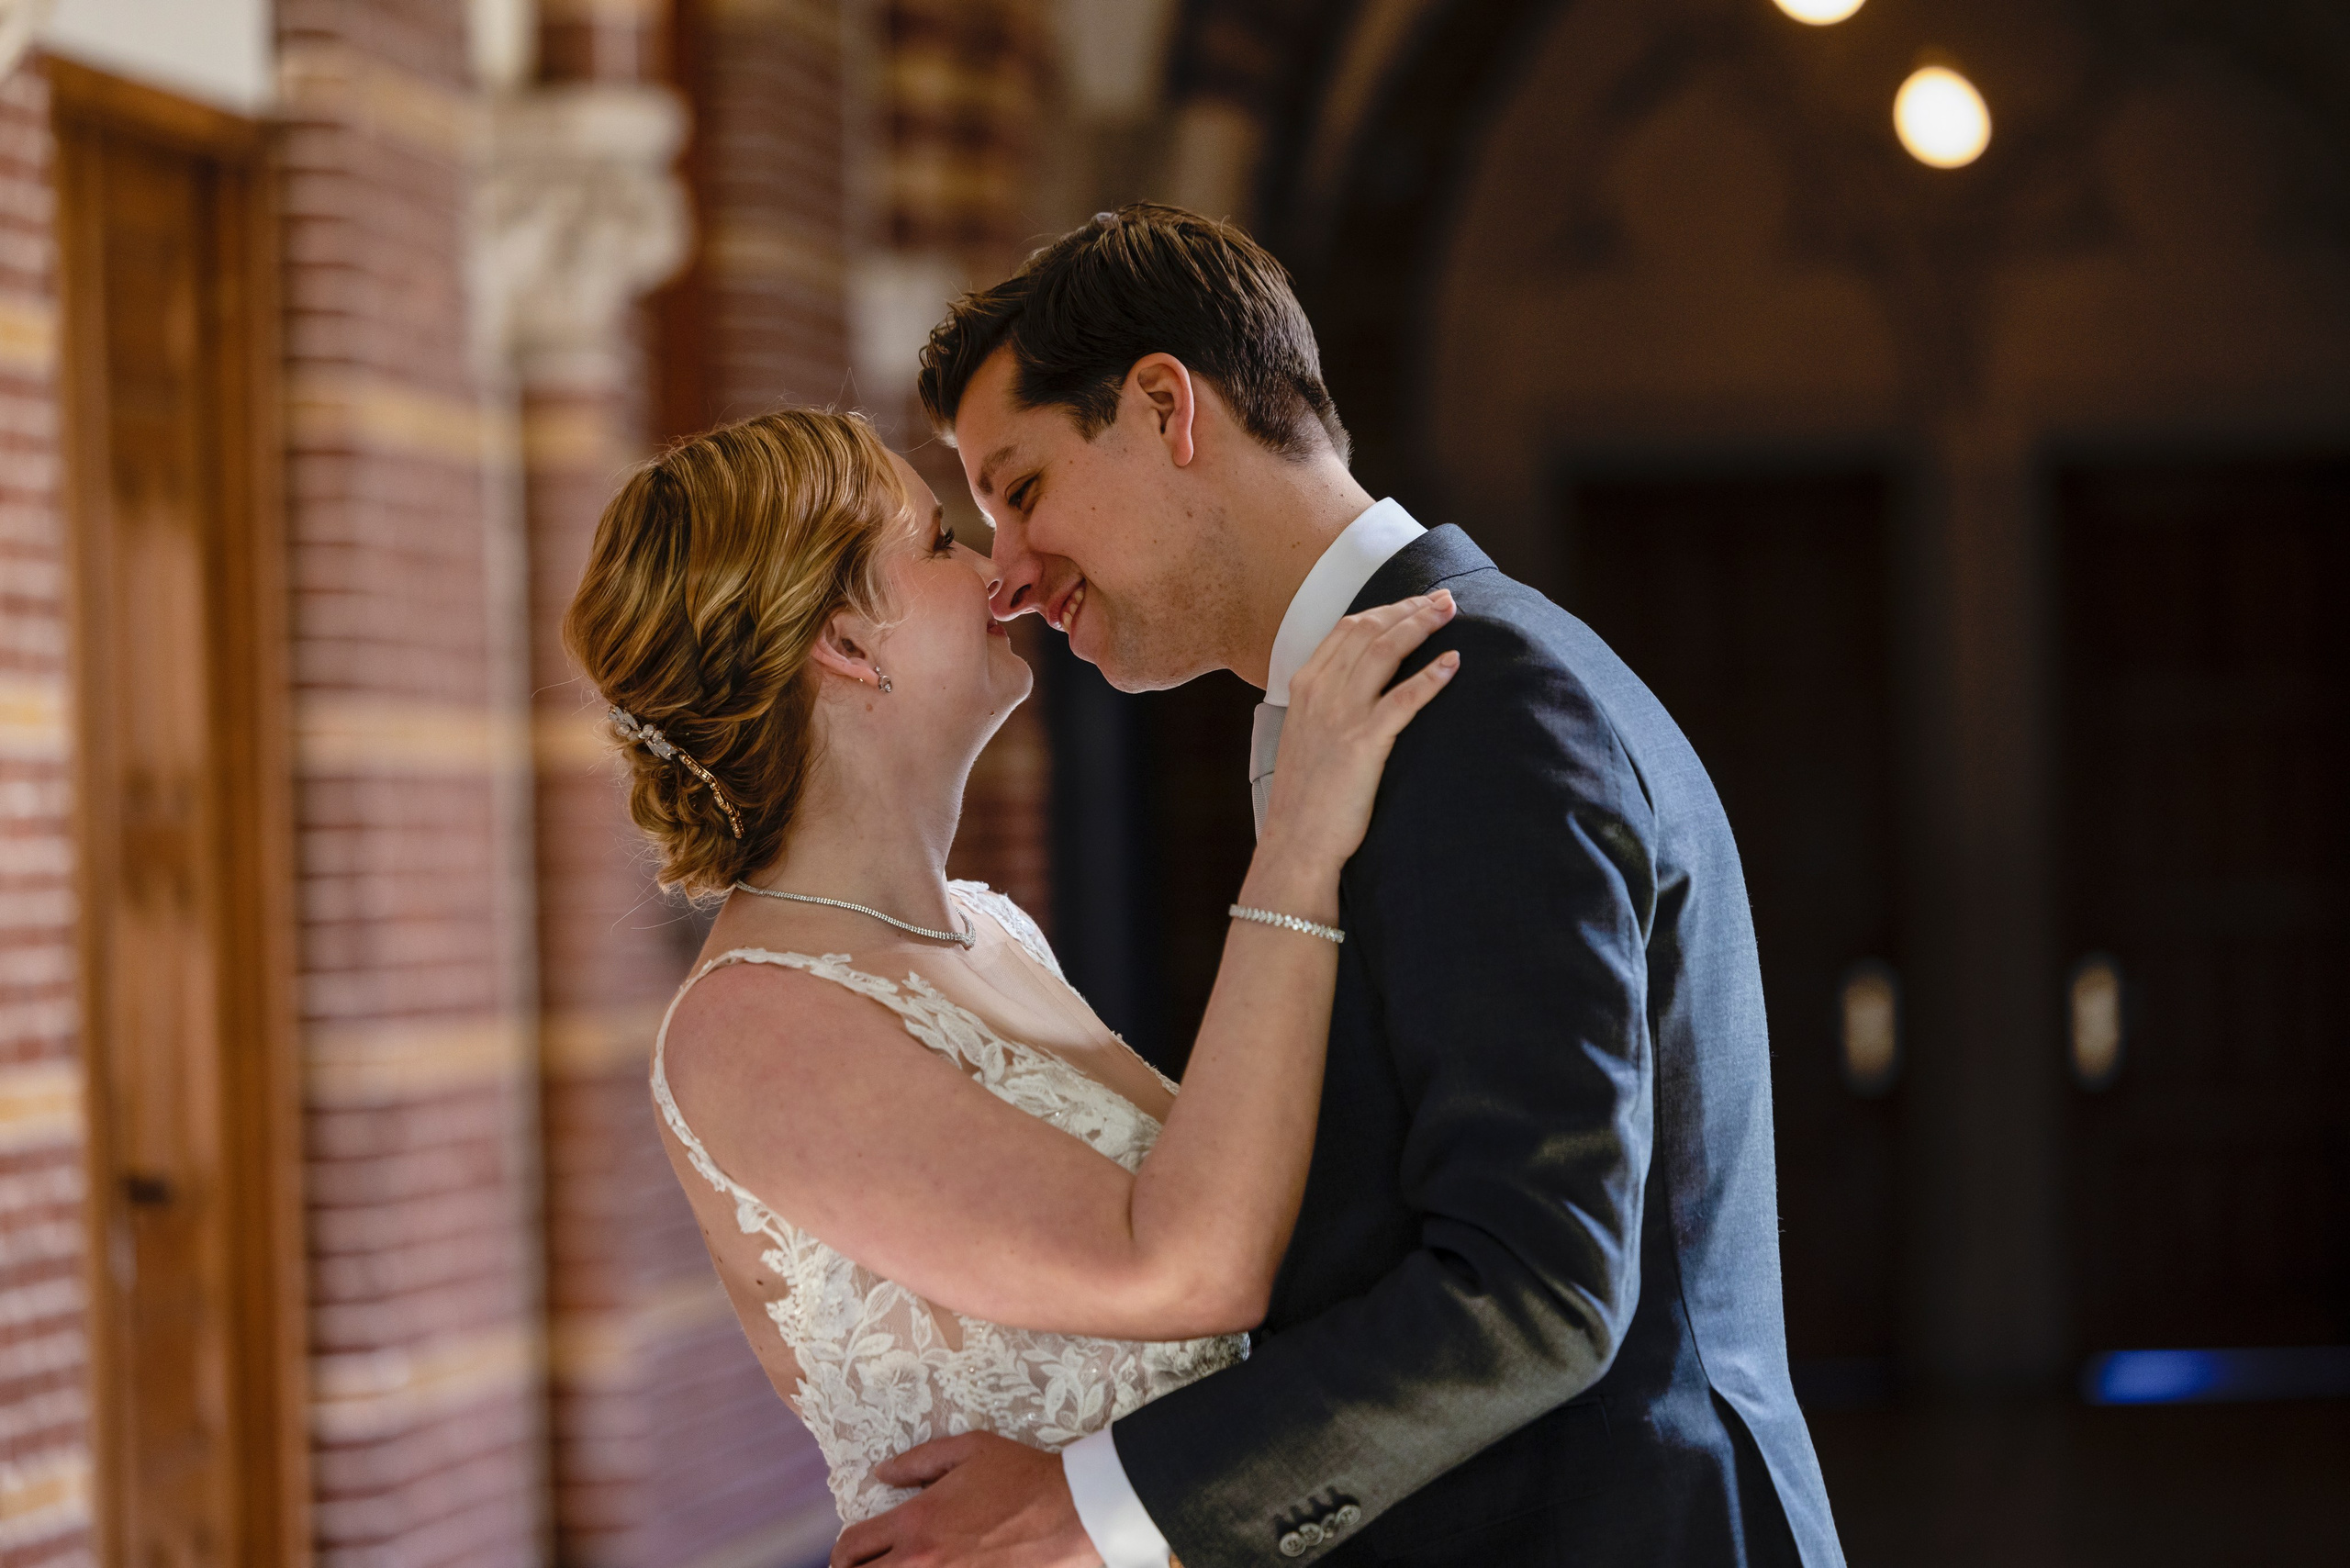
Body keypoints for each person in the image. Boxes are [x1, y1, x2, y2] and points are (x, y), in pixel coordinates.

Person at [839, 206, 1847, 1567]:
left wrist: (1088, 1506)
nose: (1008, 576)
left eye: (1020, 489)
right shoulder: (1406, 697)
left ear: (1160, 407)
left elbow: (1535, 1289)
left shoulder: (1476, 703)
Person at [562, 408, 1461, 1530]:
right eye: (939, 541)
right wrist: (1294, 843)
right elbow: (1180, 1274)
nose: (995, 570)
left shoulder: (990, 931)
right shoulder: (751, 1020)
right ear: (845, 643)